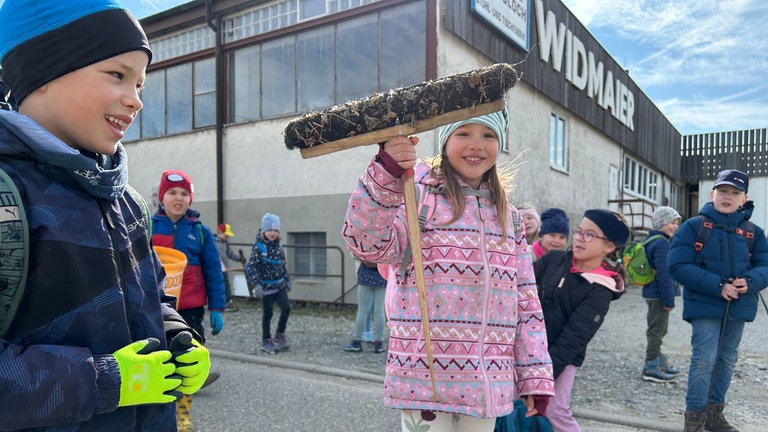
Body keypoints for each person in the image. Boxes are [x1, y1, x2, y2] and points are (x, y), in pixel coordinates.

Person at [0, 0, 210, 430]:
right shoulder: (8, 196)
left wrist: (176, 335)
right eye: (117, 74)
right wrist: (106, 381)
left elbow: (149, 294)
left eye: (141, 84)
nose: (135, 101)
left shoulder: (126, 200)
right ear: (44, 71)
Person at [342, 110, 555, 432]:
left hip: (487, 380)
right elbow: (365, 243)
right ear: (445, 141)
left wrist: (534, 376)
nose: (476, 145)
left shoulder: (508, 217)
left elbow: (526, 302)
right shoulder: (417, 196)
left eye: (488, 135)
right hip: (423, 378)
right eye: (463, 133)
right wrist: (385, 173)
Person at [668, 169, 768, 432]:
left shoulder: (754, 233)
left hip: (739, 307)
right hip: (705, 306)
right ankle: (694, 421)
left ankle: (714, 416)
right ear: (712, 193)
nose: (728, 196)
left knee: (727, 360)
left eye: (735, 193)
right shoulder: (693, 227)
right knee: (703, 360)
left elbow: (765, 266)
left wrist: (751, 281)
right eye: (723, 191)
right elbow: (677, 265)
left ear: (744, 197)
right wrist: (718, 286)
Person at [535, 209, 630, 431]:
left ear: (609, 246)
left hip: (561, 358)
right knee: (510, 402)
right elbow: (520, 289)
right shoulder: (553, 260)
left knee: (555, 410)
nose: (578, 238)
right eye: (579, 231)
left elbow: (574, 337)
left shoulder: (601, 288)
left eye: (590, 235)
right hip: (527, 349)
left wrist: (542, 379)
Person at [151, 168, 226, 431]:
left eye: (184, 193)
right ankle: (157, 413)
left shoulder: (201, 232)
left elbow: (213, 271)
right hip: (156, 308)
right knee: (160, 360)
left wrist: (217, 307)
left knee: (186, 362)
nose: (178, 198)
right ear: (162, 197)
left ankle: (183, 414)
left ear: (190, 199)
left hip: (190, 310)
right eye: (172, 192)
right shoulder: (147, 226)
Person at [640, 206, 682, 383]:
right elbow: (664, 274)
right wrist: (669, 299)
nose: (674, 226)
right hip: (659, 294)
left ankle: (658, 359)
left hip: (652, 292)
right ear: (660, 223)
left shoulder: (652, 240)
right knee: (658, 329)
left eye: (676, 223)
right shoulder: (662, 243)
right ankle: (651, 365)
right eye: (671, 223)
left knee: (655, 327)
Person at [246, 212, 293, 354]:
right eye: (270, 230)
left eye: (275, 230)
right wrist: (256, 284)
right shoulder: (258, 248)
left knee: (286, 308)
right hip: (266, 288)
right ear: (264, 231)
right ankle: (266, 340)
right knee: (268, 313)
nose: (272, 233)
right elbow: (252, 267)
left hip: (279, 286)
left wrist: (287, 280)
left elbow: (282, 265)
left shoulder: (279, 247)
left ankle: (280, 333)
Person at [343, 259, 387, 353]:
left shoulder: (366, 243)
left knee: (362, 311)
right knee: (379, 311)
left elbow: (357, 253)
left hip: (365, 275)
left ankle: (357, 341)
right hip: (381, 275)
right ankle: (378, 343)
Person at [216, 222, 246, 312]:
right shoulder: (212, 242)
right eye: (226, 235)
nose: (227, 237)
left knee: (226, 285)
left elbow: (230, 254)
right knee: (218, 286)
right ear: (220, 232)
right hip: (215, 268)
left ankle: (227, 302)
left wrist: (240, 259)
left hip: (223, 268)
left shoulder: (225, 243)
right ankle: (219, 303)